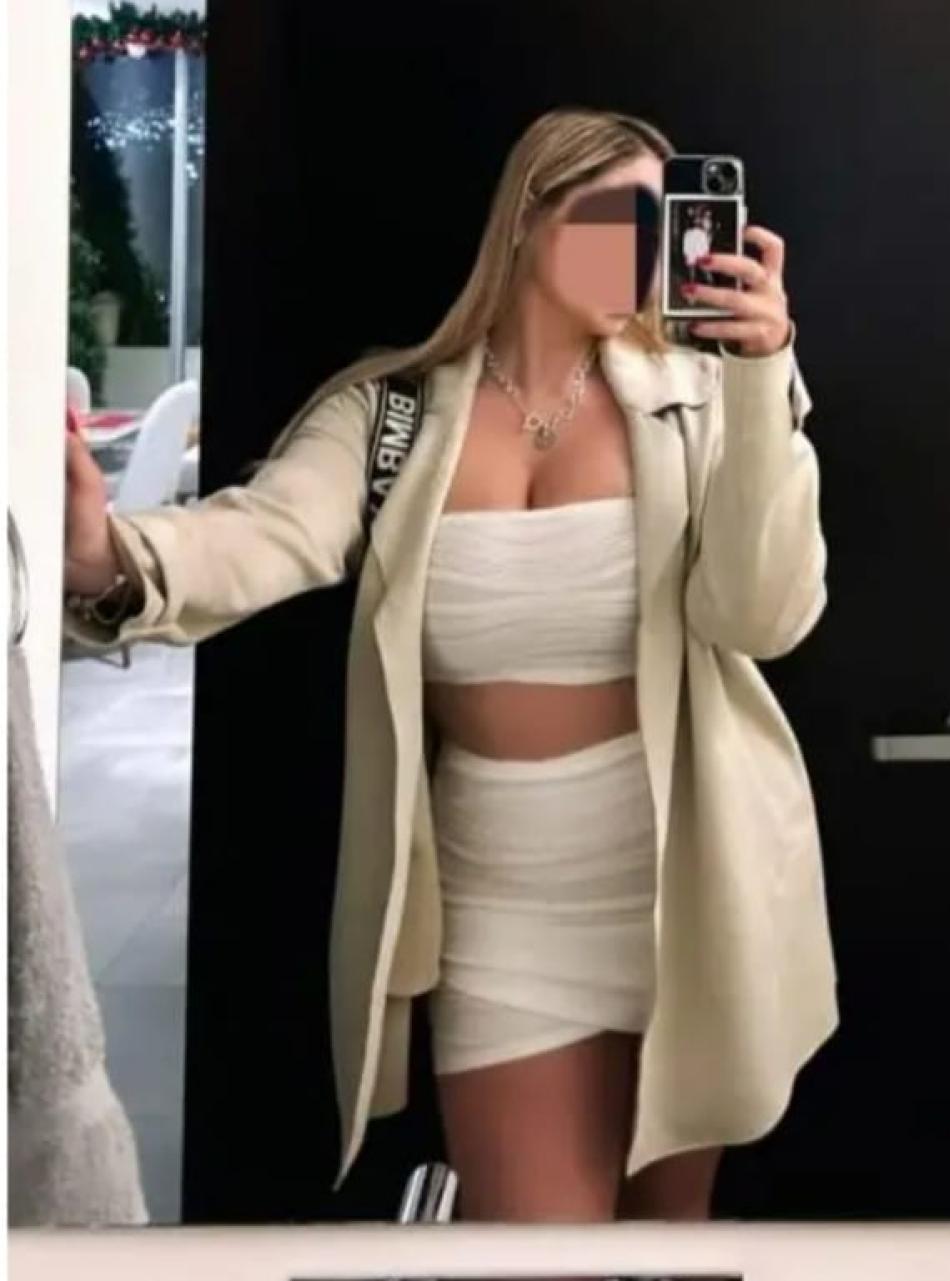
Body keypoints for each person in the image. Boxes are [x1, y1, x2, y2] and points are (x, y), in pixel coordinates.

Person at [63, 107, 838, 1224]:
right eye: (620, 219)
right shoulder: (392, 415)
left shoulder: (705, 396)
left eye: (664, 223)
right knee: (535, 1253)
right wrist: (106, 557)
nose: (646, 250)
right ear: (528, 220)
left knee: (669, 1244)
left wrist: (763, 375)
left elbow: (762, 615)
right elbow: (258, 534)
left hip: (691, 890)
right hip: (500, 905)